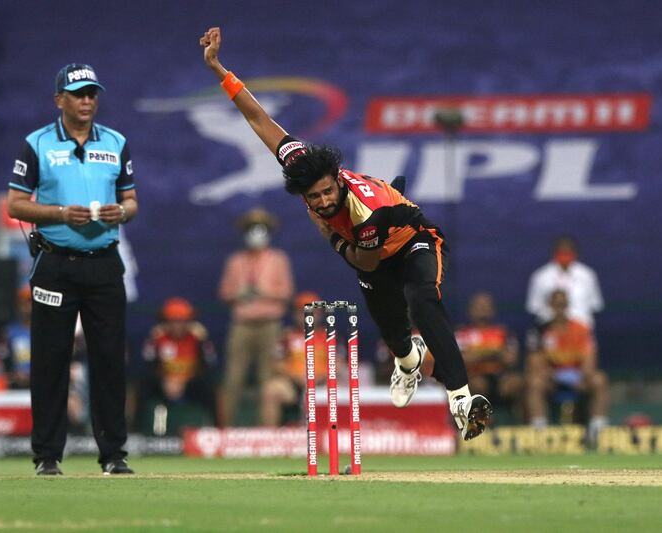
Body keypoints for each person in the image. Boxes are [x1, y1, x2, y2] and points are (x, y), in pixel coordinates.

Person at [200, 27, 491, 440]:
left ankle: (461, 399)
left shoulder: (363, 214)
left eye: (326, 193)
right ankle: (409, 363)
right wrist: (218, 69)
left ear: (338, 181)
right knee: (394, 334)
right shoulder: (302, 164)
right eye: (312, 197)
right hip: (370, 250)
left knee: (422, 300)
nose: (320, 201)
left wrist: (334, 239)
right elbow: (256, 117)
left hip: (409, 237)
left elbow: (366, 259)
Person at [6, 63, 137, 475]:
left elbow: (132, 201)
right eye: (78, 93)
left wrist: (122, 212)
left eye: (92, 93)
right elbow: (15, 204)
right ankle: (47, 456)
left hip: (104, 265)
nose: (86, 100)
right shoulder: (38, 143)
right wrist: (62, 214)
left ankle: (113, 456)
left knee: (110, 361)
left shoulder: (115, 142)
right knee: (49, 361)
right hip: (55, 264)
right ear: (59, 99)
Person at [218, 207, 294, 426]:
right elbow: (224, 293)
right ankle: (225, 429)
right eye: (251, 228)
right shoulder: (236, 260)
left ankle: (266, 432)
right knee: (233, 377)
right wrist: (238, 294)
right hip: (242, 324)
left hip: (270, 324)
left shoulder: (278, 259)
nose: (256, 233)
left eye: (260, 228)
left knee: (267, 377)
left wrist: (263, 293)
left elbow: (286, 293)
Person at [525, 289, 609, 443]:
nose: (559, 308)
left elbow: (589, 358)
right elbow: (535, 361)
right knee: (535, 382)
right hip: (552, 378)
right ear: (550, 305)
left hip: (577, 376)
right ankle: (540, 434)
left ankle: (597, 432)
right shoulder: (540, 330)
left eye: (562, 304)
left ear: (567, 305)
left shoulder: (581, 328)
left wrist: (584, 376)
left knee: (599, 380)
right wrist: (553, 376)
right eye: (556, 304)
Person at [141, 297, 219, 429]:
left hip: (190, 383)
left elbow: (209, 365)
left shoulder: (197, 338)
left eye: (182, 321)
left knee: (208, 387)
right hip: (165, 383)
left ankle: (214, 428)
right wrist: (166, 380)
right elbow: (148, 365)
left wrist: (204, 341)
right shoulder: (157, 338)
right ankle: (138, 431)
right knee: (144, 386)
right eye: (173, 321)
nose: (178, 326)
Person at [261, 291, 330, 426]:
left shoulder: (329, 335)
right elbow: (277, 362)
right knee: (271, 390)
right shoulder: (287, 336)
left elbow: (339, 363)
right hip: (294, 385)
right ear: (296, 314)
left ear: (320, 314)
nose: (309, 316)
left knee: (341, 391)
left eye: (314, 312)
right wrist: (296, 376)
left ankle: (335, 434)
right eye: (303, 311)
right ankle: (270, 436)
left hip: (322, 384)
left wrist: (319, 377)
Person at [455, 292, 524, 422]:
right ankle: (482, 423)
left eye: (486, 307)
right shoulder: (462, 334)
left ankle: (522, 423)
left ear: (492, 310)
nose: (483, 311)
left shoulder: (503, 332)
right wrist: (492, 352)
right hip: (474, 376)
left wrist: (480, 353)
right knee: (478, 384)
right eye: (479, 307)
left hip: (500, 377)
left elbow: (511, 359)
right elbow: (461, 360)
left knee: (517, 382)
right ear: (471, 311)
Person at [526, 236, 604, 328]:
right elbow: (534, 307)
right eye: (561, 252)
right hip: (550, 330)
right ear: (554, 253)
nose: (565, 255)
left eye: (568, 252)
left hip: (581, 330)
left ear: (575, 253)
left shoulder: (587, 275)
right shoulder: (540, 276)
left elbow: (595, 305)